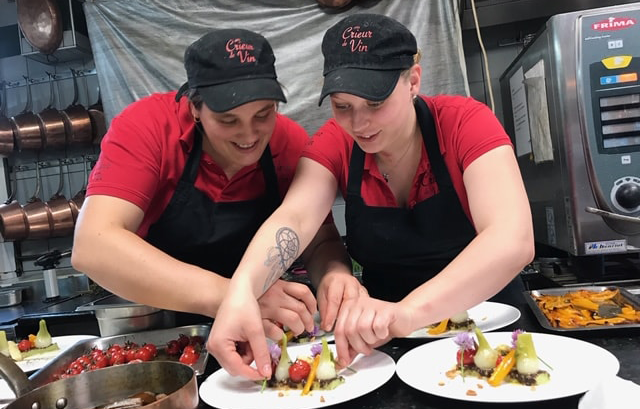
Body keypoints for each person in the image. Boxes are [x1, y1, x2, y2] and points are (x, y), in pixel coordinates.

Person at [207, 13, 534, 380]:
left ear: (413, 81)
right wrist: (241, 292)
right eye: (343, 106)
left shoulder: (463, 122)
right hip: (382, 344)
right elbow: (294, 219)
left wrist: (406, 312)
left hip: (495, 332)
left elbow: (512, 239)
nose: (359, 124)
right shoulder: (335, 142)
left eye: (375, 104)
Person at [71, 29, 355, 339]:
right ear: (195, 107)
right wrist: (233, 298)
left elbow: (319, 242)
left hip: (255, 323)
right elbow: (92, 246)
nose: (249, 135)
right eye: (228, 120)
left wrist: (333, 275)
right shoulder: (148, 127)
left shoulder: (288, 144)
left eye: (263, 114)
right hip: (159, 325)